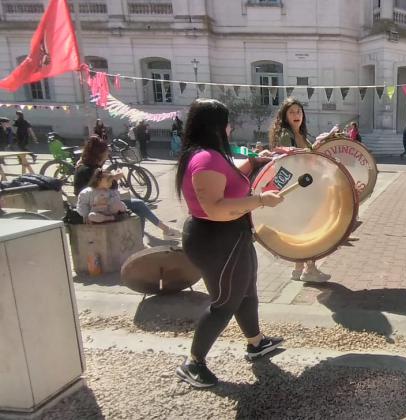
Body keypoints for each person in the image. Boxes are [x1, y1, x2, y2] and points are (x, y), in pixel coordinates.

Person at [174, 98, 284, 388]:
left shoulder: (208, 155)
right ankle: (193, 363)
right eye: (227, 122)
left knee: (246, 293)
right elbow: (215, 208)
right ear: (217, 126)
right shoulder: (206, 158)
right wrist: (261, 200)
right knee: (224, 303)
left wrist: (254, 162)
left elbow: (228, 179)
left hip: (232, 236)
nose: (230, 127)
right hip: (217, 239)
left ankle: (256, 343)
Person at [269, 97, 331, 283]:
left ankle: (298, 269)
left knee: (302, 229)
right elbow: (288, 161)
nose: (296, 115)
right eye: (292, 112)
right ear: (285, 116)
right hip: (297, 189)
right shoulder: (285, 135)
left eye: (299, 111)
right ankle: (310, 269)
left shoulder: (300, 135)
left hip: (303, 187)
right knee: (308, 229)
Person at [73, 136, 181, 240]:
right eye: (106, 152)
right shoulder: (92, 170)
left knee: (138, 206)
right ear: (99, 154)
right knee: (139, 205)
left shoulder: (84, 166)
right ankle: (162, 230)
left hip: (96, 203)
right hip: (98, 207)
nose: (108, 154)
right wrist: (115, 177)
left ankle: (155, 233)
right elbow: (110, 186)